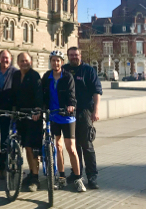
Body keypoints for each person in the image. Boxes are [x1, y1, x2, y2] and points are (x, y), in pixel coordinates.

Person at [41, 50, 86, 192]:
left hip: (66, 116)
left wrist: (71, 105)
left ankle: (78, 178)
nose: (56, 63)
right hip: (53, 115)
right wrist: (41, 108)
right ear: (51, 61)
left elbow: (72, 95)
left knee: (71, 148)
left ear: (62, 62)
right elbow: (42, 94)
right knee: (57, 147)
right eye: (53, 60)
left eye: (58, 60)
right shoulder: (47, 76)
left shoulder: (67, 77)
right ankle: (61, 178)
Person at [63, 47, 102, 189]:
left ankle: (92, 176)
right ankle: (76, 173)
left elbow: (96, 92)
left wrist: (96, 110)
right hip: (68, 112)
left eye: (76, 55)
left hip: (84, 111)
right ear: (68, 56)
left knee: (86, 144)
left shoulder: (89, 70)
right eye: (71, 55)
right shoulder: (64, 69)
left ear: (81, 55)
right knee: (73, 146)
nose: (74, 57)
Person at [11, 52, 43, 192]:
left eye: (26, 60)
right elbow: (13, 93)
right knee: (24, 145)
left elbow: (39, 94)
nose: (24, 63)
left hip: (32, 116)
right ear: (18, 62)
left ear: (30, 62)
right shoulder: (16, 75)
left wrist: (37, 110)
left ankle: (35, 178)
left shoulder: (34, 76)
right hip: (20, 115)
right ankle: (30, 173)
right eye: (22, 61)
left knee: (32, 147)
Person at [0, 49, 19, 179]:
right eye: (3, 58)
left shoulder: (15, 73)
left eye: (7, 58)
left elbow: (18, 91)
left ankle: (3, 166)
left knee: (4, 139)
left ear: (11, 59)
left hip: (7, 110)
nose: (5, 60)